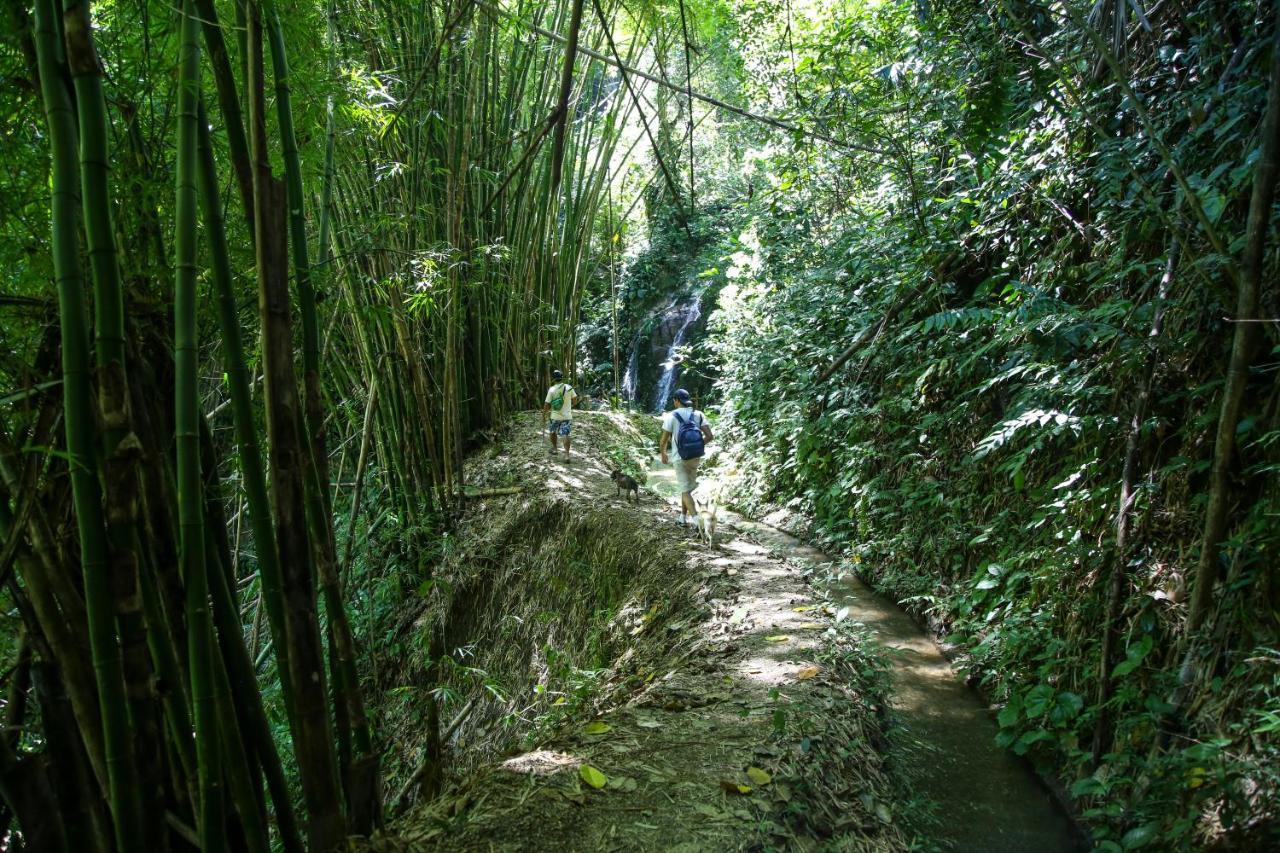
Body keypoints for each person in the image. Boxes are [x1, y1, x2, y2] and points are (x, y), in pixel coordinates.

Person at [659, 388, 713, 526]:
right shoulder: (698, 414)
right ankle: (682, 517)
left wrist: (663, 453)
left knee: (684, 490)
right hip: (695, 456)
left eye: (674, 400)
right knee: (687, 489)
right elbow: (710, 436)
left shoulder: (671, 416)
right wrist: (698, 445)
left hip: (679, 457)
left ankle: (696, 520)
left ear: (676, 401)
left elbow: (664, 440)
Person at [542, 369, 579, 460]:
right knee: (566, 434)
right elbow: (575, 399)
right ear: (562, 378)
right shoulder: (569, 387)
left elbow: (547, 404)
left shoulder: (552, 389)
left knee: (553, 431)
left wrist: (543, 414)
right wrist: (570, 405)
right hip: (567, 416)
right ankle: (566, 455)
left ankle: (555, 449)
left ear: (553, 379)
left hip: (555, 416)